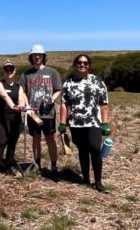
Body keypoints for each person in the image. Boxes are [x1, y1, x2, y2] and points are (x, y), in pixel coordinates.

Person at [59, 54, 111, 193]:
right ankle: (85, 178)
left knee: (95, 148)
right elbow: (64, 104)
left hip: (93, 122)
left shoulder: (97, 81)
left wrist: (105, 123)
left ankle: (98, 182)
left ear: (89, 65)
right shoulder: (69, 83)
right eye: (79, 63)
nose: (82, 65)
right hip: (75, 123)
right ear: (75, 65)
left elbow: (104, 104)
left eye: (85, 63)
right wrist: (63, 122)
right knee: (82, 150)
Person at [19, 44, 61, 180]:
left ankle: (54, 166)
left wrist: (52, 100)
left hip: (48, 113)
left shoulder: (52, 72)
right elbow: (22, 91)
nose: (37, 57)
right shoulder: (26, 74)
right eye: (34, 55)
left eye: (40, 55)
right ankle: (37, 165)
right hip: (33, 113)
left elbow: (58, 89)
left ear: (43, 57)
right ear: (31, 57)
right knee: (35, 139)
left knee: (50, 139)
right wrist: (27, 106)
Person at [0, 60, 27, 180]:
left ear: (14, 70)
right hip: (2, 118)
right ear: (3, 71)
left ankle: (8, 165)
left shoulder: (18, 87)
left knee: (12, 144)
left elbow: (22, 99)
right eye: (6, 69)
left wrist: (21, 106)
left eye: (11, 69)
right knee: (2, 142)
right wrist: (13, 106)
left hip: (15, 119)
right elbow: (4, 96)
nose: (9, 71)